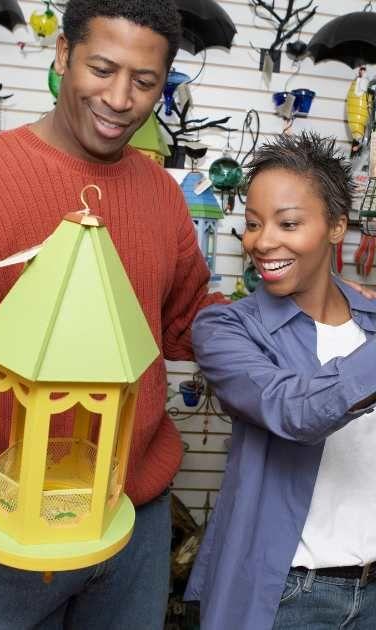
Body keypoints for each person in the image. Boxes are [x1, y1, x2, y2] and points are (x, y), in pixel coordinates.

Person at [0, 1, 223, 626]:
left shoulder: (162, 196)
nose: (120, 98)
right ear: (63, 56)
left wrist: (300, 313)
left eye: (144, 82)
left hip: (134, 521)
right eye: (102, 69)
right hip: (9, 526)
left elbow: (187, 317)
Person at [184, 133, 376, 629]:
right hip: (290, 596)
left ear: (337, 227)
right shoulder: (226, 328)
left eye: (288, 223)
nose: (262, 241)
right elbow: (293, 410)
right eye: (252, 224)